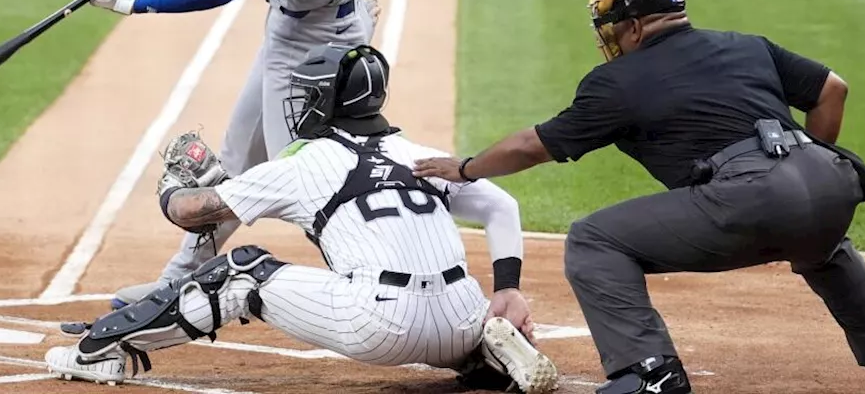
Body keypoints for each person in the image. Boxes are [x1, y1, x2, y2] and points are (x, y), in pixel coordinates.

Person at [413, 0, 865, 394]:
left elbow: (532, 145)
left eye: (611, 26)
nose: (609, 37)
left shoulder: (617, 80)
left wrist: (465, 168)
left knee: (594, 239)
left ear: (634, 27)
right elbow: (832, 90)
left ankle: (649, 372)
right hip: (830, 178)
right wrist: (808, 166)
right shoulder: (746, 45)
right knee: (822, 242)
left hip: (749, 192)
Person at [45, 43, 559, 394]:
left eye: (309, 93)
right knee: (448, 314)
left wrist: (174, 189)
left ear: (327, 101)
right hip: (463, 317)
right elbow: (500, 206)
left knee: (240, 271)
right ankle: (484, 355)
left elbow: (192, 213)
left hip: (380, 324)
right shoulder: (418, 153)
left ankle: (101, 350)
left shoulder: (305, 162)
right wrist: (508, 286)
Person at [82, 0, 380, 308]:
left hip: (318, 47)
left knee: (308, 180)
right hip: (302, 26)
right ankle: (179, 281)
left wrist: (134, 4)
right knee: (239, 163)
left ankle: (379, 282)